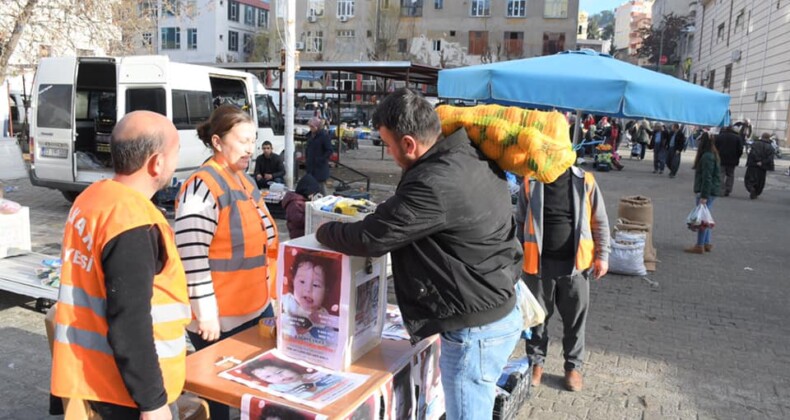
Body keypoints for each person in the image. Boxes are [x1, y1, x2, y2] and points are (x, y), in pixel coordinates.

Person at [315, 88, 523, 420]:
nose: (388, 152)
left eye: (387, 144)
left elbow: (370, 237)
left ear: (409, 144)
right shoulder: (466, 152)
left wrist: (322, 230)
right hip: (496, 302)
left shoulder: (433, 182)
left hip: (476, 329)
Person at [50, 111, 188, 420]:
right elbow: (131, 322)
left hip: (96, 376)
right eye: (176, 152)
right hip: (127, 392)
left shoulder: (92, 198)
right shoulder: (133, 222)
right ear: (157, 163)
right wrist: (153, 403)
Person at [174, 105, 279, 420]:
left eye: (253, 140)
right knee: (218, 401)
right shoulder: (201, 186)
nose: (250, 148)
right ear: (218, 142)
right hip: (219, 320)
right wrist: (206, 314)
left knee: (258, 389)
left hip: (255, 307)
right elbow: (191, 255)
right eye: (243, 140)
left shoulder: (244, 181)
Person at [516, 166, 610, 392]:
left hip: (575, 267)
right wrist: (516, 256)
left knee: (575, 322)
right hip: (537, 266)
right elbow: (520, 221)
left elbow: (600, 221)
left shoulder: (585, 181)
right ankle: (536, 364)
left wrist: (602, 256)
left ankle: (573, 368)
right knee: (537, 321)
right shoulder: (531, 181)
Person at [686, 132, 721, 254]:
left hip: (706, 191)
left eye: (699, 140)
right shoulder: (713, 154)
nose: (698, 142)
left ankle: (700, 245)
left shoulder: (707, 156)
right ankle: (706, 243)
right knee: (706, 217)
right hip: (712, 190)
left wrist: (704, 196)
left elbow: (707, 177)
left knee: (702, 219)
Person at [281, 174, 322, 239]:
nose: (313, 195)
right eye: (313, 193)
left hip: (303, 233)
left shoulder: (302, 201)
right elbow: (297, 221)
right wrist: (313, 217)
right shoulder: (295, 203)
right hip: (298, 235)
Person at [305, 116, 333, 195]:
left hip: (320, 167)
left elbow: (329, 150)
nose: (311, 128)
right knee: (312, 187)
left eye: (312, 127)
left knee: (321, 188)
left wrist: (321, 159)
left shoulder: (324, 136)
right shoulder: (310, 136)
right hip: (311, 165)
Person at [744, 132, 776, 199]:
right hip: (763, 167)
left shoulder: (755, 144)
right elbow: (770, 158)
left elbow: (752, 153)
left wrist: (757, 160)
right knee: (760, 181)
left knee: (749, 178)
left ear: (762, 137)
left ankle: (751, 188)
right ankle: (756, 192)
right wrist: (762, 162)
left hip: (753, 164)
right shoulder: (770, 147)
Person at [714, 125, 743, 196]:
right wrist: (737, 157)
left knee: (721, 174)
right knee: (730, 174)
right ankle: (728, 189)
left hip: (721, 158)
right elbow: (740, 150)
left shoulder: (719, 137)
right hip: (732, 159)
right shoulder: (737, 137)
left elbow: (715, 147)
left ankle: (721, 190)